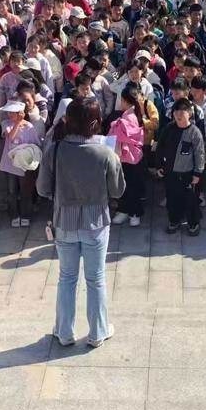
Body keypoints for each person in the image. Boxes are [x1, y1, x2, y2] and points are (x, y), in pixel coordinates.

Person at [37, 97, 125, 348]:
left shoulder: (55, 150)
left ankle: (64, 332)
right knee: (96, 279)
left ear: (68, 120)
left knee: (67, 277)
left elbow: (42, 188)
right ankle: (97, 332)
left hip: (64, 221)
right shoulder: (105, 152)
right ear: (95, 123)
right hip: (96, 222)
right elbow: (117, 190)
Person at [157, 98, 206, 236]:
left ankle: (193, 223)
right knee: (172, 199)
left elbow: (200, 154)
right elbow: (160, 148)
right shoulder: (169, 129)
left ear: (189, 113)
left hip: (187, 174)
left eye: (182, 111)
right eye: (176, 111)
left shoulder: (194, 132)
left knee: (190, 200)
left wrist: (197, 173)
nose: (178, 115)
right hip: (170, 172)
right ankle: (174, 221)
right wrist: (159, 165)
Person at [0, 100, 42, 227]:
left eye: (13, 113)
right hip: (10, 164)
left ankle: (26, 215)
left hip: (24, 164)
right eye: (9, 112)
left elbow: (36, 143)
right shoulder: (6, 123)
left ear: (20, 113)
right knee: (12, 191)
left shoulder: (29, 127)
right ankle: (14, 215)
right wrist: (17, 123)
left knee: (25, 191)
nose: (10, 115)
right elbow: (10, 137)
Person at [108, 85, 146, 226]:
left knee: (130, 186)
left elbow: (125, 134)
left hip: (129, 156)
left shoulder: (129, 117)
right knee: (124, 184)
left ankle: (134, 213)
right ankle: (124, 210)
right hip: (127, 156)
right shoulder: (131, 114)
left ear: (124, 101)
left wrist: (116, 125)